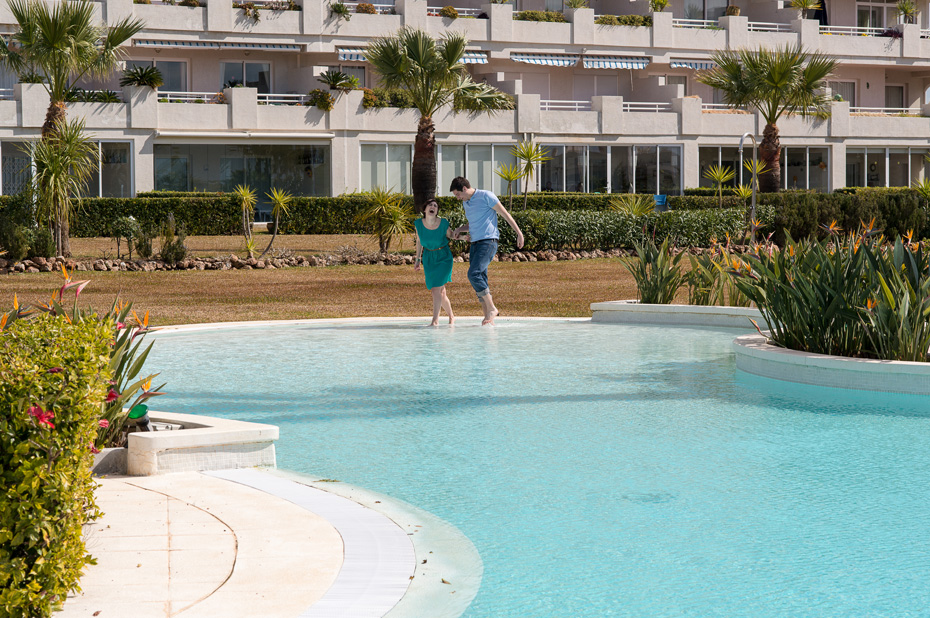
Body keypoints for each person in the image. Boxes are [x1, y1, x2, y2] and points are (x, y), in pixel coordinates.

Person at [449, 176, 524, 325]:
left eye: (458, 194)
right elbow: (473, 223)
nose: (458, 198)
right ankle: (487, 318)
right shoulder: (467, 203)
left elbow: (505, 214)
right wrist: (459, 229)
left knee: (474, 273)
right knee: (481, 277)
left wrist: (519, 233)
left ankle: (491, 308)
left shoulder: (486, 196)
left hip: (488, 241)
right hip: (475, 243)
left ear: (464, 188)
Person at [414, 198, 455, 326]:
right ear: (425, 209)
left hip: (443, 257)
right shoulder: (418, 224)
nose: (433, 207)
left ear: (436, 211)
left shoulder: (443, 223)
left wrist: (464, 237)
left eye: (435, 206)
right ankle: (451, 316)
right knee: (441, 293)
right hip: (429, 258)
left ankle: (435, 321)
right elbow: (419, 241)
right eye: (430, 205)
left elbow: (451, 235)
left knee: (436, 290)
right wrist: (417, 259)